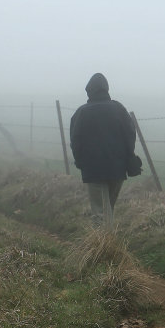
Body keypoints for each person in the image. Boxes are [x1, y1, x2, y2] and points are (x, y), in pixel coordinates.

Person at [70, 73, 137, 225]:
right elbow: (130, 134)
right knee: (108, 209)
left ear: (89, 91)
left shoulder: (82, 112)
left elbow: (76, 141)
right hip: (118, 167)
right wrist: (128, 156)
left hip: (93, 169)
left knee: (100, 212)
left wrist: (80, 162)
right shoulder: (119, 108)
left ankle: (103, 247)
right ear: (106, 89)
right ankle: (109, 245)